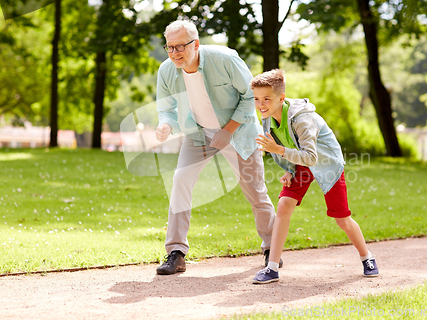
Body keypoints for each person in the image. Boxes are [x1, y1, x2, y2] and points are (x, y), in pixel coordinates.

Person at [155, 20, 281, 275]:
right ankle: (176, 252)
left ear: (196, 43)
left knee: (255, 191)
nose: (175, 53)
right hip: (198, 134)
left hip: (239, 132)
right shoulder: (167, 70)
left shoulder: (225, 59)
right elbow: (166, 109)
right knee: (180, 180)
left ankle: (272, 248)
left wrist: (228, 130)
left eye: (181, 46)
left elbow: (250, 97)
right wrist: (166, 125)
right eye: (170, 47)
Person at [250, 69, 379, 284]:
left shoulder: (302, 119)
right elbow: (286, 146)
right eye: (256, 99)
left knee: (342, 219)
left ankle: (368, 258)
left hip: (326, 163)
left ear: (281, 98)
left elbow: (310, 156)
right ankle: (271, 268)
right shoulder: (268, 119)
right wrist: (289, 170)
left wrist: (280, 151)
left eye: (266, 99)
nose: (260, 104)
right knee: (283, 206)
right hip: (301, 162)